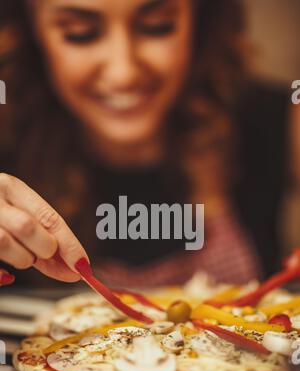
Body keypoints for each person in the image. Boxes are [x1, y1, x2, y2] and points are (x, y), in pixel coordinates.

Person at [0, 0, 292, 289]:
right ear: (32, 31)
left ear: (200, 20)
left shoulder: (274, 117)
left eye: (157, 27)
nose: (123, 73)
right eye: (81, 32)